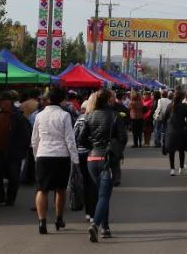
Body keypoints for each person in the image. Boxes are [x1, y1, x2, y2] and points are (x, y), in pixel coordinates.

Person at [77, 89, 125, 242]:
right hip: (107, 159)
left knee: (101, 195)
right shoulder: (115, 115)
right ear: (109, 100)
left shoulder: (89, 115)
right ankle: (96, 225)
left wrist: (93, 146)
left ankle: (105, 227)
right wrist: (116, 151)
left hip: (92, 158)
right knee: (104, 196)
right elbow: (123, 138)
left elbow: (81, 139)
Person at [30, 86, 79, 234]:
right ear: (62, 99)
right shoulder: (65, 115)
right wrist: (75, 159)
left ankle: (42, 221)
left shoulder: (39, 116)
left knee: (42, 189)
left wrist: (36, 155)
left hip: (43, 154)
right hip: (61, 155)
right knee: (60, 189)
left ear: (48, 99)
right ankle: (59, 218)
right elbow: (70, 139)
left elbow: (34, 139)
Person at [0, 91, 31, 206]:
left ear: (9, 102)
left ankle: (10, 198)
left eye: (3, 101)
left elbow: (25, 135)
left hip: (13, 152)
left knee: (13, 176)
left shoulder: (18, 116)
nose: (0, 103)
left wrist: (20, 150)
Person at [73, 93, 99, 223]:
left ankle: (88, 212)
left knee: (85, 183)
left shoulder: (80, 119)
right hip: (93, 153)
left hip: (80, 154)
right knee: (94, 184)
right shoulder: (97, 118)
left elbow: (74, 136)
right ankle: (92, 212)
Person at [164, 89, 187, 175]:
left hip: (171, 131)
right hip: (181, 131)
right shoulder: (184, 106)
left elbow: (165, 118)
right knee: (181, 150)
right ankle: (181, 168)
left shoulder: (169, 106)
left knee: (171, 151)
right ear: (182, 97)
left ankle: (172, 169)